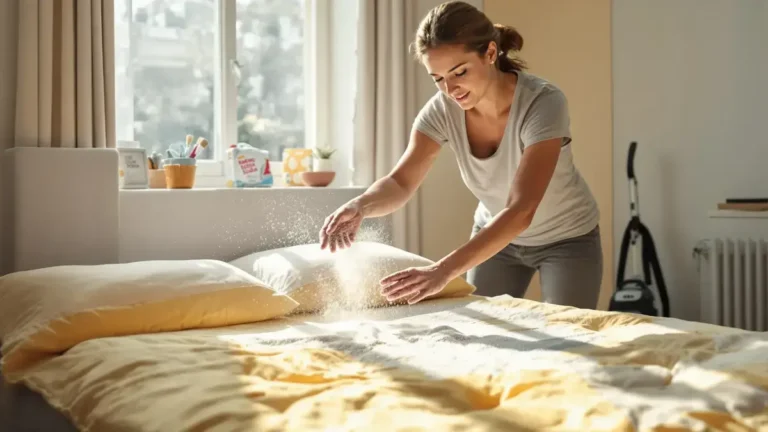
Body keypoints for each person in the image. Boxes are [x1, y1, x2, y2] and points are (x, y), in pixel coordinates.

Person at [319, 0, 602, 308]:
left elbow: (522, 210)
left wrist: (442, 271)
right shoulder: (441, 112)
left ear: (491, 54)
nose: (450, 89)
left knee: (569, 334)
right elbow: (400, 183)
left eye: (460, 72)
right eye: (438, 78)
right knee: (486, 333)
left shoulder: (543, 103)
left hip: (567, 238)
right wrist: (361, 205)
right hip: (495, 239)